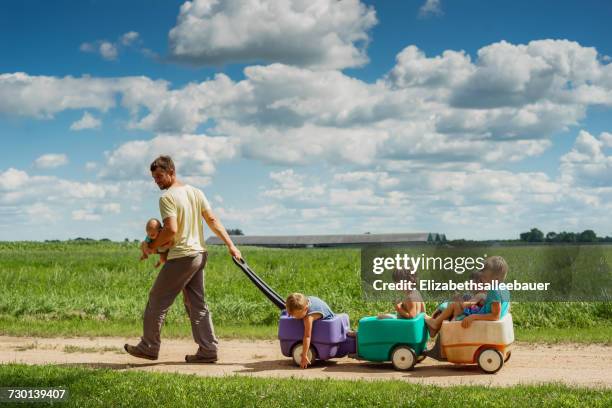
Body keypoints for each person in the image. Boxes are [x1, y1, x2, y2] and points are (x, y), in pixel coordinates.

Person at [124, 155, 242, 363]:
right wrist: (231, 245)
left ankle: (149, 346)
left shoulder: (167, 197)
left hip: (183, 257)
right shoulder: (196, 192)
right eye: (154, 178)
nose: (157, 181)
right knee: (197, 304)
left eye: (160, 176)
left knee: (157, 299)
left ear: (172, 172)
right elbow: (212, 220)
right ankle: (208, 350)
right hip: (199, 255)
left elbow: (171, 230)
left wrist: (151, 246)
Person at [425, 256, 510, 337]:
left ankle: (435, 324)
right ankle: (435, 328)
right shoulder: (504, 289)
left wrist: (472, 317)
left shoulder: (494, 291)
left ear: (496, 279)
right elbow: (503, 308)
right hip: (484, 314)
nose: (482, 280)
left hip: (481, 318)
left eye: (484, 277)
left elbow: (495, 316)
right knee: (456, 307)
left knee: (454, 305)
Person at [285, 293, 334, 369]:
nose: (294, 317)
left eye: (296, 315)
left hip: (328, 320)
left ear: (305, 309)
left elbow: (307, 336)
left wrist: (304, 355)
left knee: (305, 323)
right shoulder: (305, 300)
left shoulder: (308, 317)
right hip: (326, 312)